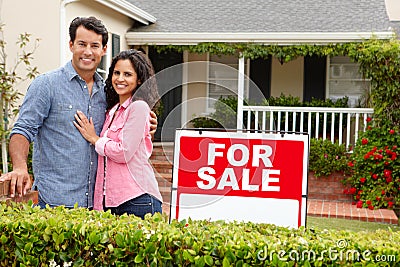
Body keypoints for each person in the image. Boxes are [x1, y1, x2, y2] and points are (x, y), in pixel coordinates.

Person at [0, 17, 157, 209]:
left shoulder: (109, 92)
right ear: (71, 45)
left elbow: (124, 131)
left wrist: (146, 126)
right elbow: (22, 130)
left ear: (104, 50)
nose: (88, 52)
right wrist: (19, 167)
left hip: (98, 205)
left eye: (95, 45)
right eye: (82, 44)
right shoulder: (47, 85)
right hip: (55, 200)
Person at [73, 49, 163, 218]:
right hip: (113, 203)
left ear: (139, 80)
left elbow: (124, 152)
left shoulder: (139, 107)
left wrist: (94, 138)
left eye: (128, 74)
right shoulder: (112, 111)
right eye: (117, 73)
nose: (120, 79)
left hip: (138, 199)